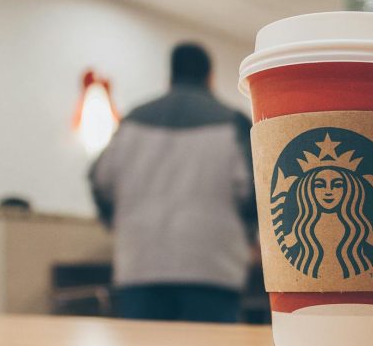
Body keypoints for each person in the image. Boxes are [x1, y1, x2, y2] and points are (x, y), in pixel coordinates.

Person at [89, 43, 255, 323]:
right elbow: (253, 194)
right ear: (209, 77)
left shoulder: (130, 124)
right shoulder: (232, 123)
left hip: (140, 266)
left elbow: (100, 182)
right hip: (212, 268)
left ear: (169, 77)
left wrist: (114, 221)